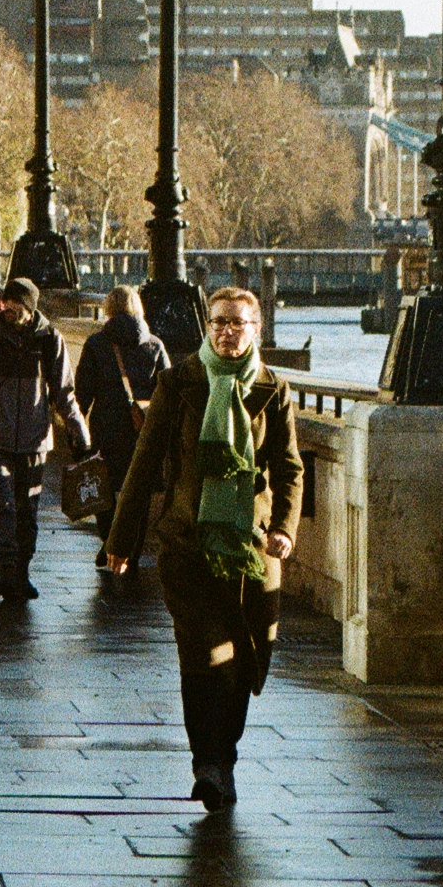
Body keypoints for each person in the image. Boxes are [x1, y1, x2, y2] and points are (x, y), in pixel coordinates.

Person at [105, 283, 300, 818]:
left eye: (238, 323)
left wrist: (284, 526)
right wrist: (121, 543)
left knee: (241, 659)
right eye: (218, 322)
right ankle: (205, 765)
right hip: (187, 544)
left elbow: (289, 469)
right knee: (203, 652)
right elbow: (144, 466)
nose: (227, 332)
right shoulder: (180, 382)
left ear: (256, 329)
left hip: (250, 551)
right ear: (207, 327)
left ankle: (225, 757)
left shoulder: (273, 389)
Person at [0, 275, 90, 604]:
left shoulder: (49, 339)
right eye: (7, 303)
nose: (10, 310)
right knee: (1, 506)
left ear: (31, 307)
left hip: (35, 439)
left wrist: (79, 432)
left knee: (28, 509)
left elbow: (64, 393)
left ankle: (22, 570)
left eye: (18, 305)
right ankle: (7, 569)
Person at [75, 285, 170, 568]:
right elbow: (166, 390)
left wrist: (76, 431)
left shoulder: (96, 344)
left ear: (109, 310)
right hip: (143, 431)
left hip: (105, 429)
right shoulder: (154, 344)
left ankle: (109, 544)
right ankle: (131, 551)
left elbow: (82, 393)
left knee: (103, 492)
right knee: (137, 492)